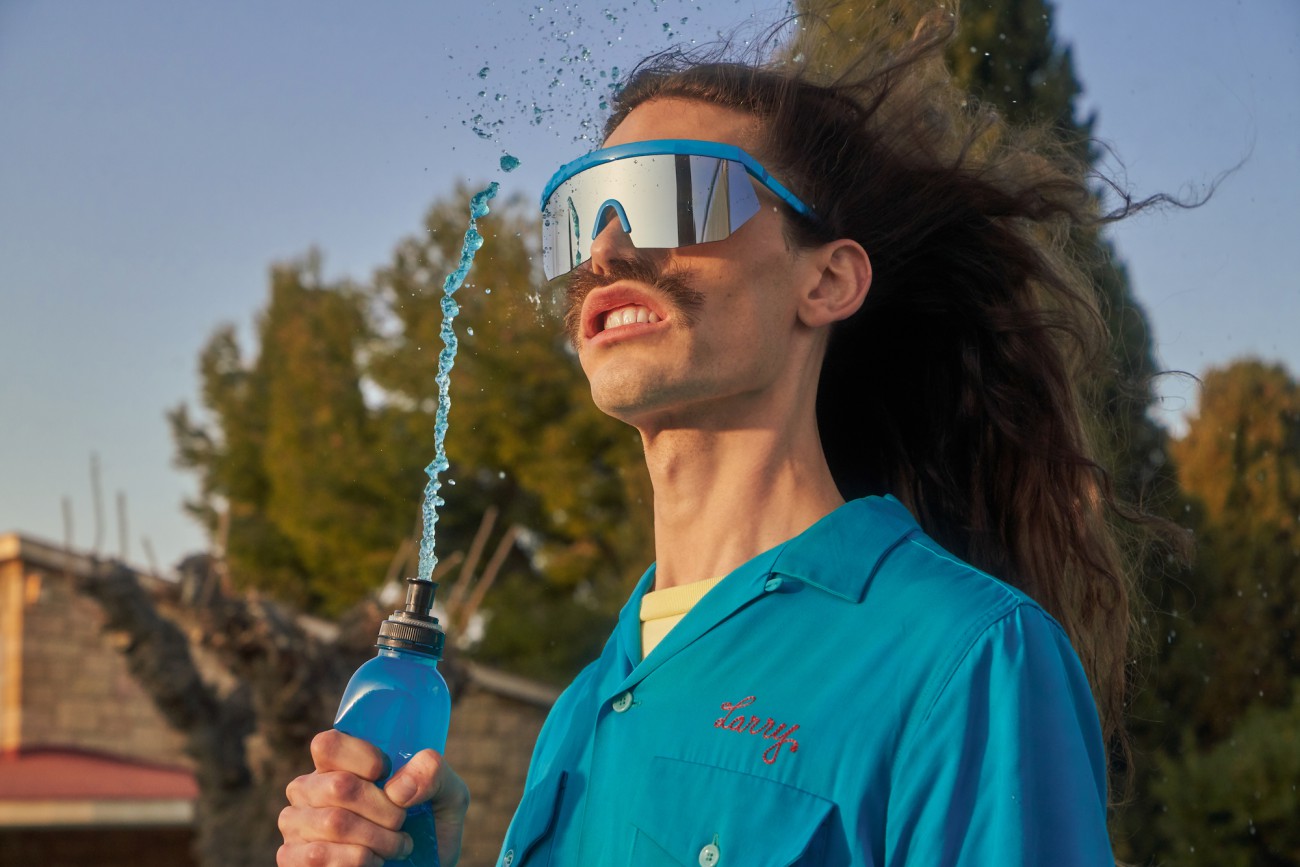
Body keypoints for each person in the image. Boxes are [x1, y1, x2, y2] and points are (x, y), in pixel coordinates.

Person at [280, 10, 1172, 866]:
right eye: (582, 212)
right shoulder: (579, 712)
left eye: (675, 195)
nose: (607, 249)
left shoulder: (967, 658)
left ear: (827, 282)